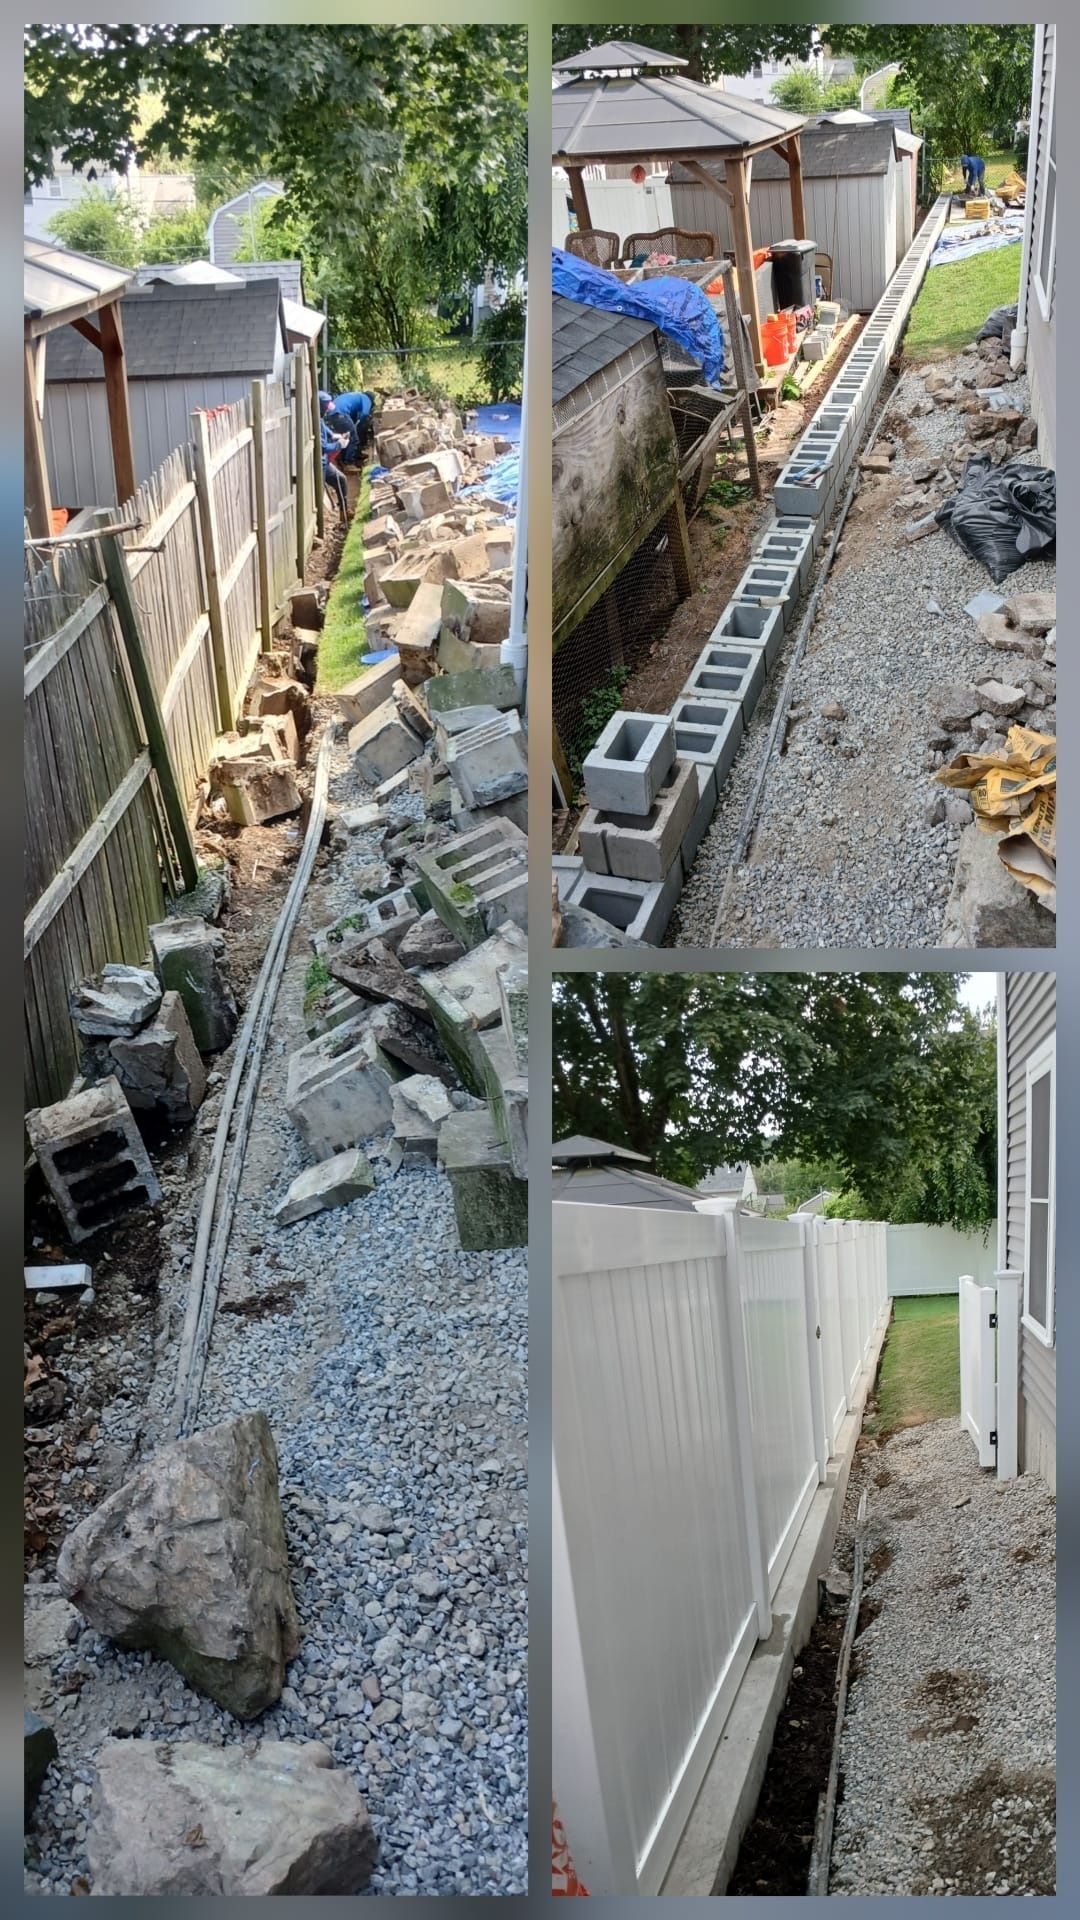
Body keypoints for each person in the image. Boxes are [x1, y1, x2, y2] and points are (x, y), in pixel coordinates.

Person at [331, 390, 376, 465]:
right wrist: (360, 423)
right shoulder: (366, 398)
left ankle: (343, 458)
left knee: (345, 437)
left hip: (333, 413)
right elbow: (365, 413)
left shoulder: (356, 396)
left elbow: (353, 417)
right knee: (354, 438)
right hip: (341, 413)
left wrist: (356, 423)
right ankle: (349, 462)